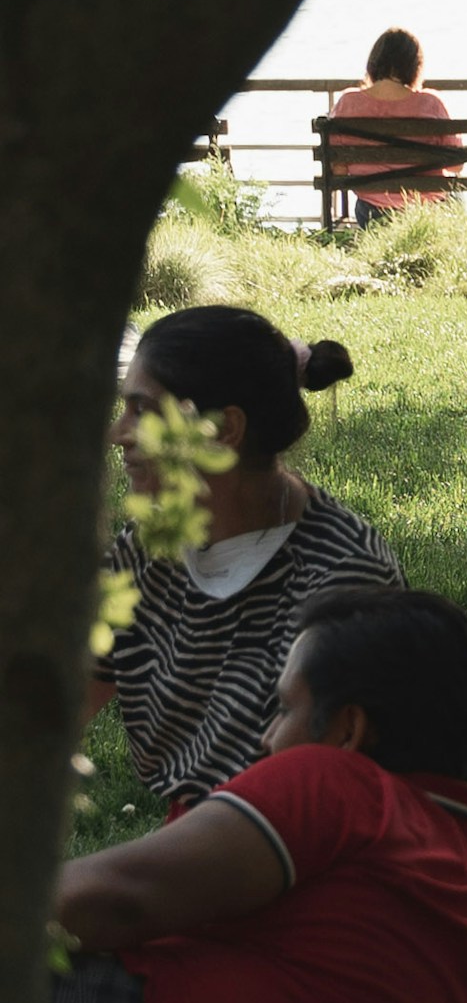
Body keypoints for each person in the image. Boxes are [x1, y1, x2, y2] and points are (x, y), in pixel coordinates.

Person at [31, 586, 467, 1003]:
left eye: (283, 710)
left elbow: (113, 901)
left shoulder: (338, 782)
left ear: (347, 730)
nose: (265, 739)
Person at [94, 307, 400, 811]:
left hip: (301, 847)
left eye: (142, 411)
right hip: (201, 842)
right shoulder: (148, 549)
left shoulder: (343, 577)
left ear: (223, 429)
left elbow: (319, 802)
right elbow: (46, 708)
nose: (118, 434)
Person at [328, 29, 463, 216]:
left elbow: (338, 169)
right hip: (428, 209)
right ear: (414, 66)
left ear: (373, 63)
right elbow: (456, 165)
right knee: (456, 196)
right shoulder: (431, 104)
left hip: (373, 211)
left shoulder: (348, 103)